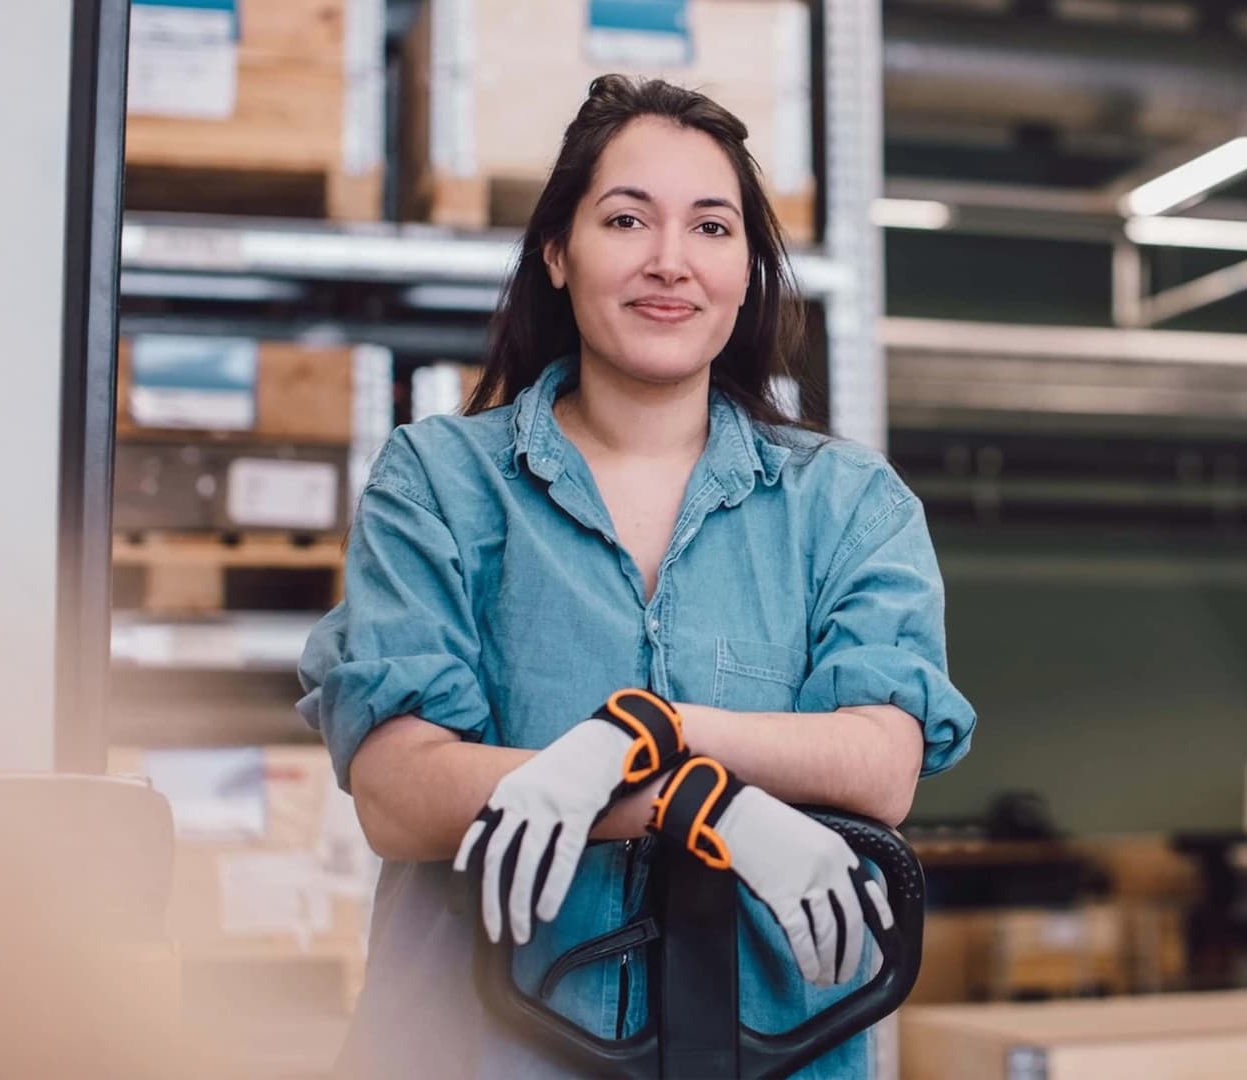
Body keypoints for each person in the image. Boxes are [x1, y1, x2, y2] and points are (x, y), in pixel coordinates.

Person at [296, 74, 976, 1079]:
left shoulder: (848, 506)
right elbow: (400, 792)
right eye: (627, 219)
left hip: (775, 1055)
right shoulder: (439, 482)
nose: (671, 262)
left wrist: (650, 735)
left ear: (747, 272)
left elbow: (879, 761)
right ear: (559, 254)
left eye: (711, 228)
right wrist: (696, 806)